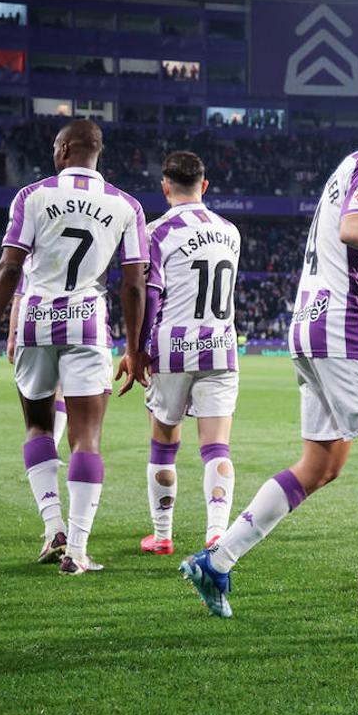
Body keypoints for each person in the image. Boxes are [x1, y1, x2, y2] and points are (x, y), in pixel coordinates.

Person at [180, 82, 358, 632]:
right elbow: (353, 227)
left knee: (321, 465)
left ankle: (216, 562)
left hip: (311, 325)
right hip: (348, 326)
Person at [0, 119, 150, 575]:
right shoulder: (127, 205)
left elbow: (9, 269)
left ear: (65, 148)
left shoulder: (32, 196)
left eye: (55, 146)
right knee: (86, 438)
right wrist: (133, 349)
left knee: (37, 427)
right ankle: (76, 550)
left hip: (35, 322)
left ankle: (52, 524)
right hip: (88, 326)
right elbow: (134, 284)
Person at [139, 151, 241, 555]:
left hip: (172, 348)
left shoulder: (156, 232)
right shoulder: (231, 231)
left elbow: (151, 294)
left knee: (164, 442)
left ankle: (162, 535)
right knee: (216, 447)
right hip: (220, 344)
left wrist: (138, 347)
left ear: (165, 186)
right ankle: (216, 533)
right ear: (205, 185)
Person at [8, 259, 67, 445]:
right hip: (68, 322)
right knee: (60, 391)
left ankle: (43, 447)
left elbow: (17, 302)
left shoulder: (25, 259)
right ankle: (52, 444)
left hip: (31, 327)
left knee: (37, 393)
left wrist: (11, 338)